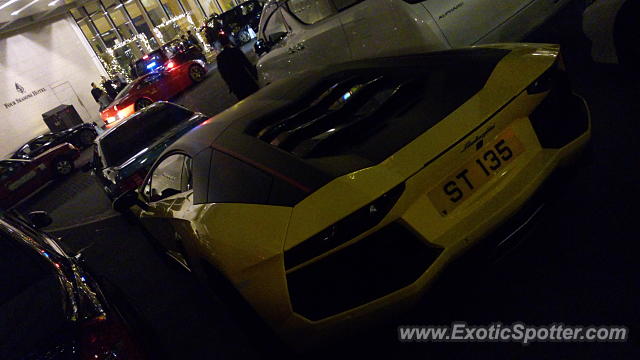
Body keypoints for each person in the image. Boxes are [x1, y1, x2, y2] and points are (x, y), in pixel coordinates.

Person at [216, 36, 259, 101]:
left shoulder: (220, 57)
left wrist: (230, 85)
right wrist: (255, 74)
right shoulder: (235, 50)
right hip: (245, 79)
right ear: (229, 41)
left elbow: (223, 74)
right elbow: (247, 63)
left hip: (236, 85)